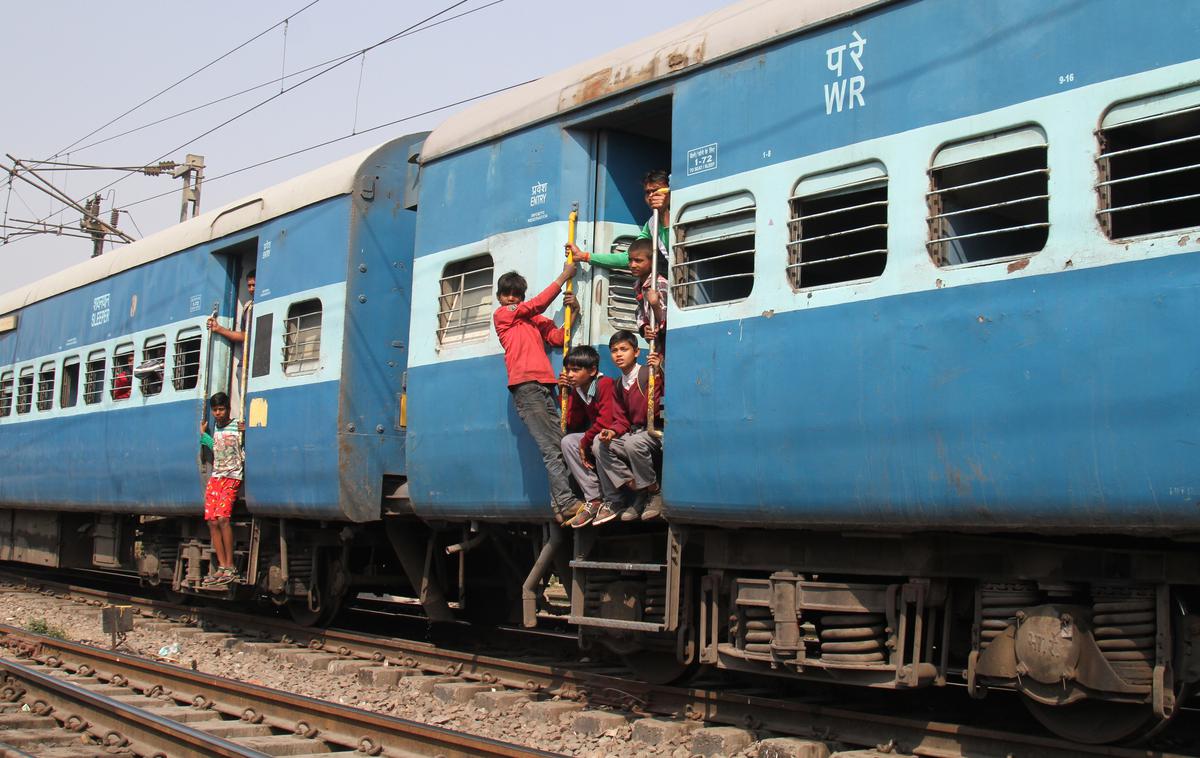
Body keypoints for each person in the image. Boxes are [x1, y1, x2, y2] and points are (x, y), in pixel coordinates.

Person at [493, 262, 581, 523]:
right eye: (507, 294)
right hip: (527, 387)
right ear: (500, 297)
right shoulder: (504, 315)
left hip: (543, 385)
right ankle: (566, 502)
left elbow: (556, 337)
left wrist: (573, 312)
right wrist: (565, 275)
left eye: (517, 295)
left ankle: (560, 504)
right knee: (552, 447)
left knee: (560, 443)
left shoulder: (530, 319)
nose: (512, 298)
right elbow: (538, 304)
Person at [595, 330, 665, 521]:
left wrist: (659, 372)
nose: (618, 354)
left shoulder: (648, 373)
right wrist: (611, 431)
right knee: (598, 444)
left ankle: (654, 492)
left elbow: (662, 401)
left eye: (623, 349)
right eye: (614, 350)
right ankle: (639, 490)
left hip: (655, 431)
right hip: (634, 433)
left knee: (633, 443)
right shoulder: (619, 384)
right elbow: (622, 420)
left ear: (636, 352)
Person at [559, 345, 630, 528]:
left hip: (616, 433)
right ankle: (594, 498)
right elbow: (573, 422)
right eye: (568, 370)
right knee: (567, 441)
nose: (570, 375)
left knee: (599, 440)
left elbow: (606, 421)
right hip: (598, 433)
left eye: (575, 370)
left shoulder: (604, 384)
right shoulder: (580, 390)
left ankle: (613, 499)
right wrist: (564, 393)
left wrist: (584, 443)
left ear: (592, 371)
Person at [565, 169, 670, 269]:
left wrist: (664, 212)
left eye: (656, 190)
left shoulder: (681, 215)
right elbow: (628, 257)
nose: (651, 196)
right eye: (648, 192)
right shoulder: (651, 225)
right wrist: (584, 256)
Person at [201, 392, 243, 586]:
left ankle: (230, 565)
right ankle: (222, 566)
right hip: (216, 477)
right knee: (211, 521)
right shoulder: (216, 427)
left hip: (232, 477)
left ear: (228, 409)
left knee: (223, 518)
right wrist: (204, 436)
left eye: (221, 409)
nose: (218, 413)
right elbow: (215, 448)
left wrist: (246, 431)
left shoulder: (238, 425)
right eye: (215, 410)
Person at [207, 270, 255, 414]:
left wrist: (220, 329)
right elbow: (245, 334)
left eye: (254, 285)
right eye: (249, 285)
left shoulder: (255, 307)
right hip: (244, 362)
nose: (251, 289)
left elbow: (248, 336)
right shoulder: (248, 307)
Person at [627, 238, 668, 351]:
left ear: (652, 262)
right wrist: (645, 327)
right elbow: (640, 311)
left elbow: (667, 323)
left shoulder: (661, 284)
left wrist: (655, 305)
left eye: (638, 261)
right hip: (657, 344)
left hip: (667, 343)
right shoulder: (637, 285)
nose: (633, 265)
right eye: (630, 260)